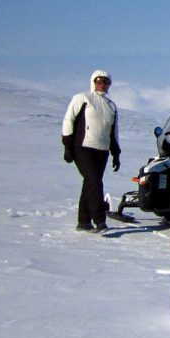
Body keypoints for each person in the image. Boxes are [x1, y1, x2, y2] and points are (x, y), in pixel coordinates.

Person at [61, 69, 121, 232]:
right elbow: (69, 120)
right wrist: (67, 145)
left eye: (106, 82)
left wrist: (116, 153)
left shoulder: (111, 106)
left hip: (102, 150)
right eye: (99, 81)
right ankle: (99, 219)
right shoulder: (82, 98)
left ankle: (83, 221)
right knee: (94, 181)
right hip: (83, 147)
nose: (102, 85)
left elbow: (113, 131)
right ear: (93, 81)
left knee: (90, 183)